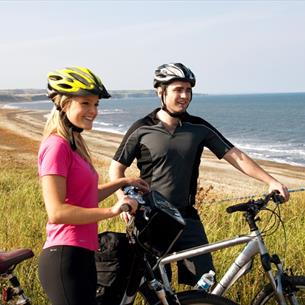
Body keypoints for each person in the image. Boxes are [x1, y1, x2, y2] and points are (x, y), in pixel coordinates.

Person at [109, 62, 290, 286]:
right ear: (161, 92)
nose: (184, 96)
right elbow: (116, 168)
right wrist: (123, 199)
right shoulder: (141, 128)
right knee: (156, 291)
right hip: (150, 219)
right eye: (178, 90)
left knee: (205, 284)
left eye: (188, 90)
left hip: (187, 219)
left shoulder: (199, 127)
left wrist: (271, 181)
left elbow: (236, 156)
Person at [38, 66, 148, 305]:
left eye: (96, 104)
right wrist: (113, 210)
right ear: (64, 104)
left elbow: (86, 196)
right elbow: (57, 212)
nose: (93, 111)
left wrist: (123, 181)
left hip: (83, 253)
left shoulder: (73, 145)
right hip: (65, 255)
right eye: (85, 104)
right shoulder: (56, 146)